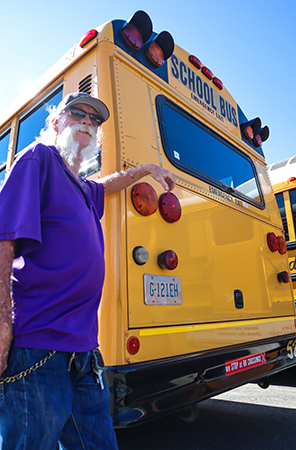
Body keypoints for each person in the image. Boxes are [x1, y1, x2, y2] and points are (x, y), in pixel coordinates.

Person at [0, 92, 176, 450]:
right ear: (56, 122)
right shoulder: (39, 158)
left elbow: (108, 183)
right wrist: (2, 323)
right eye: (77, 113)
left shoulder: (81, 186)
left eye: (94, 119)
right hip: (38, 345)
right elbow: (4, 243)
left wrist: (146, 170)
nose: (87, 121)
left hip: (84, 353)